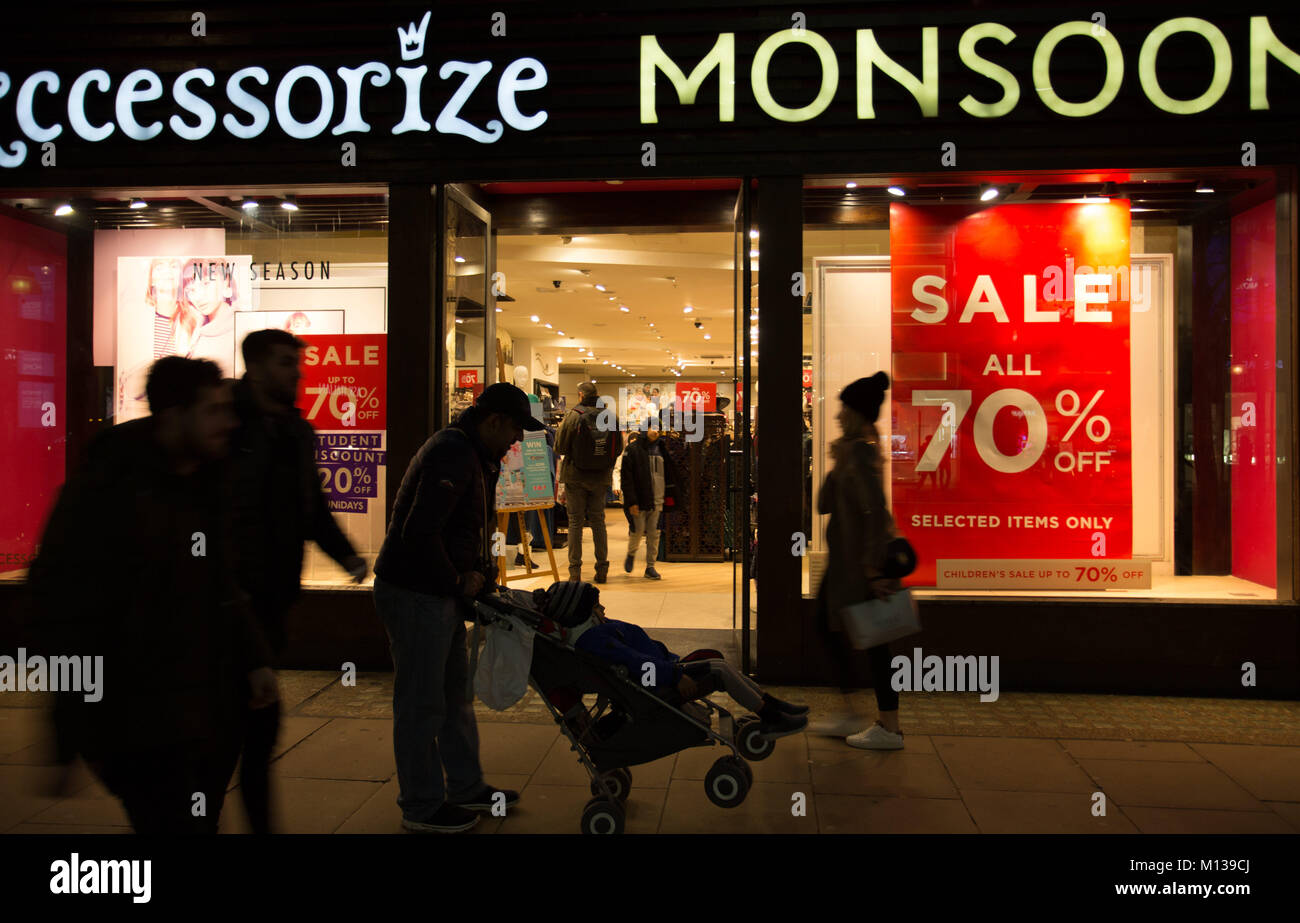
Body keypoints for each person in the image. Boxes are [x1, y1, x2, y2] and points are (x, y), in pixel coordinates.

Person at [27, 356, 278, 833]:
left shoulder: (206, 480)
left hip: (200, 710)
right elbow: (63, 615)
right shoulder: (104, 491)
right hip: (132, 719)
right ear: (172, 415)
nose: (228, 422)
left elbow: (221, 583)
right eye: (213, 411)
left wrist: (254, 658)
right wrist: (65, 734)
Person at [372, 382, 542, 833]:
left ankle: (465, 787)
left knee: (453, 696)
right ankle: (421, 806)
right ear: (493, 421)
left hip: (437, 596)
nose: (517, 441)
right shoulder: (453, 452)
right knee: (421, 703)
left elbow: (459, 527)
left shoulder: (474, 453)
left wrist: (477, 575)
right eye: (514, 430)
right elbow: (419, 532)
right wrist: (456, 580)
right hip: (416, 594)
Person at [228, 328, 368, 834]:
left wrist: (347, 556)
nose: (299, 373)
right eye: (287, 363)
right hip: (228, 602)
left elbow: (311, 507)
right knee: (245, 725)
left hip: (272, 598)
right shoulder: (225, 424)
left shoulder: (293, 429)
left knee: (253, 728)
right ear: (258, 365)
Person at [542, 581, 807, 737]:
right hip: (660, 682)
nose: (603, 609)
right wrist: (676, 675)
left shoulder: (595, 633)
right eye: (596, 607)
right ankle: (770, 715)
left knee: (715, 659)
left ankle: (770, 704)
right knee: (718, 669)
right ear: (582, 615)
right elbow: (635, 662)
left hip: (662, 667)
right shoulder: (597, 638)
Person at [816, 372, 906, 750]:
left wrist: (873, 572)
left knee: (875, 643)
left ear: (854, 412)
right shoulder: (856, 451)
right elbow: (823, 504)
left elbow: (874, 512)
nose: (837, 416)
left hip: (859, 568)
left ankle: (888, 727)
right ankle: (863, 714)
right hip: (848, 566)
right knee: (849, 634)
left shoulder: (860, 453)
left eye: (843, 409)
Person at [554, 382, 622, 583]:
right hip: (601, 477)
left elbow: (560, 447)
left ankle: (575, 571)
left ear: (581, 394)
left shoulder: (574, 415)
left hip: (576, 476)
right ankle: (602, 568)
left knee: (575, 522)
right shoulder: (611, 417)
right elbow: (618, 448)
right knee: (598, 521)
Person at [618, 416, 680, 580]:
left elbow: (669, 474)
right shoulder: (633, 450)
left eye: (659, 429)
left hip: (657, 499)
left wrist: (670, 494)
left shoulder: (662, 448)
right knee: (638, 531)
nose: (656, 432)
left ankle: (650, 566)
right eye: (653, 428)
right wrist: (631, 501)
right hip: (639, 499)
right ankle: (631, 554)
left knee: (654, 533)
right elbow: (626, 477)